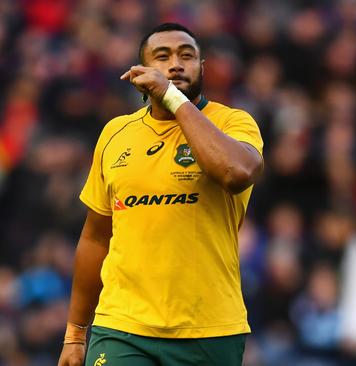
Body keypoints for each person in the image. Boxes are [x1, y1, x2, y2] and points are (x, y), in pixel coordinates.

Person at [57, 23, 264, 366]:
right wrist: (76, 334)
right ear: (141, 70)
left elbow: (235, 172)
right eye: (163, 56)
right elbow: (95, 238)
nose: (176, 64)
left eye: (187, 56)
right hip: (122, 326)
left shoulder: (233, 123)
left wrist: (172, 97)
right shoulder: (115, 133)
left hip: (209, 329)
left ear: (203, 68)